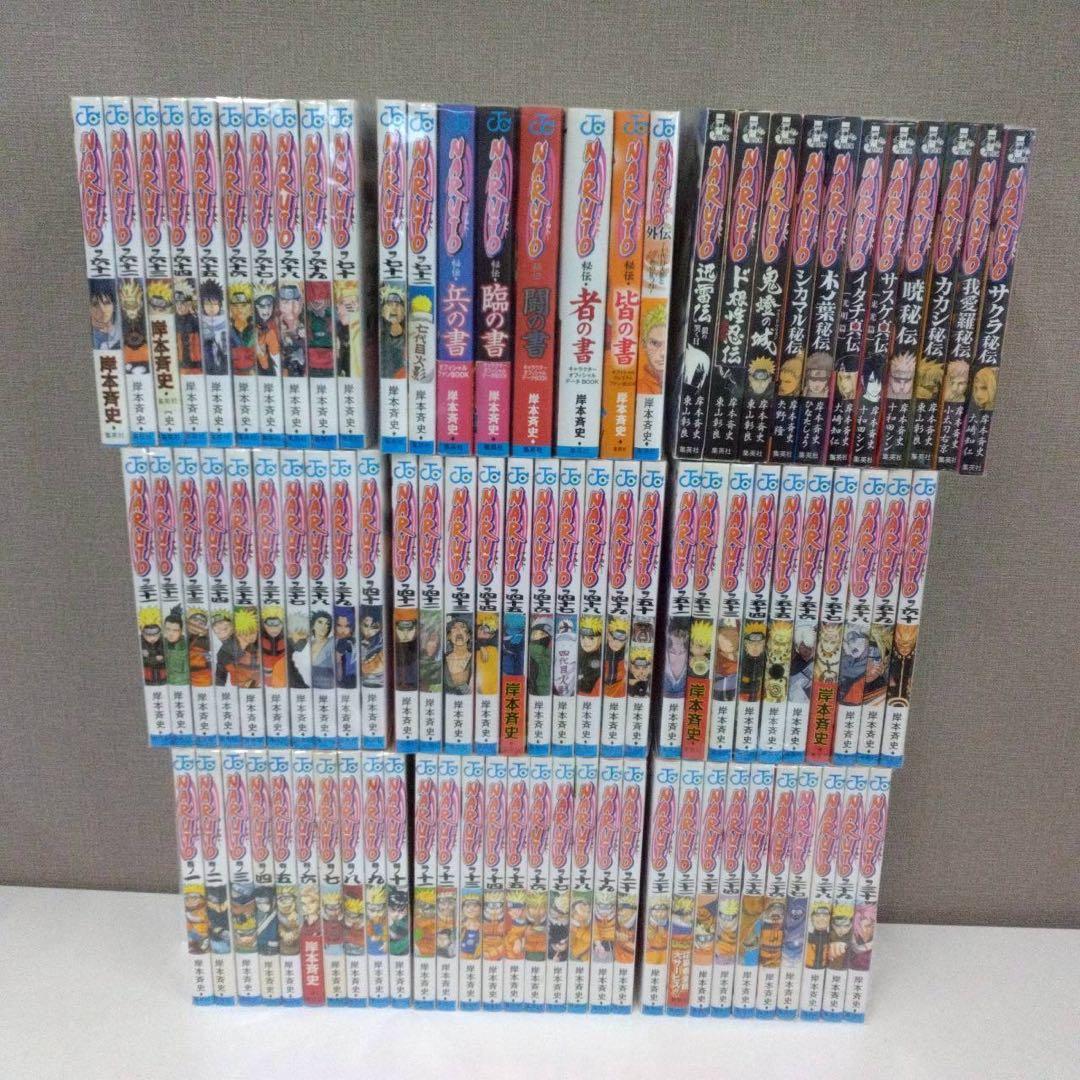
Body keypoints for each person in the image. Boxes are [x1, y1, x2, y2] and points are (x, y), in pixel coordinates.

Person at [637, 302, 669, 396]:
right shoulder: (640, 387)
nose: (663, 353)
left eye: (667, 343)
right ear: (644, 344)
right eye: (655, 343)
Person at [199, 281, 229, 376]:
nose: (211, 307)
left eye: (215, 303)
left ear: (220, 304)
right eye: (207, 303)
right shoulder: (198, 323)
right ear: (202, 305)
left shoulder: (227, 322)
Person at [89, 279, 121, 349]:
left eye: (107, 303)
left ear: (114, 306)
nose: (102, 310)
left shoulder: (122, 333)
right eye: (95, 304)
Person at [162, 606, 190, 686]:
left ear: (181, 631)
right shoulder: (160, 644)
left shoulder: (187, 647)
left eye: (175, 630)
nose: (171, 633)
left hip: (182, 685)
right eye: (168, 629)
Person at [139, 607, 167, 685]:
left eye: (155, 634)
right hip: (148, 675)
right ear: (142, 632)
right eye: (148, 635)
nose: (152, 638)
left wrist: (159, 659)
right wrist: (155, 658)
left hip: (161, 675)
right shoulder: (140, 642)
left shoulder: (163, 642)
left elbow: (166, 657)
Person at [576, 615, 603, 695]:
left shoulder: (596, 659)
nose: (585, 642)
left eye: (591, 638)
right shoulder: (582, 653)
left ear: (600, 639)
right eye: (583, 637)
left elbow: (588, 686)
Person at [334, 607, 357, 689]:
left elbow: (338, 662)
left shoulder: (346, 641)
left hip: (348, 679)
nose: (343, 630)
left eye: (347, 626)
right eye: (339, 625)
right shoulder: (336, 640)